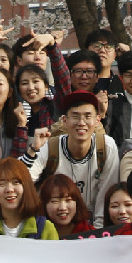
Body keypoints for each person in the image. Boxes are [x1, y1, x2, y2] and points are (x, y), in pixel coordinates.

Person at [31, 92, 121, 227]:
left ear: (97, 120)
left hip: (91, 223)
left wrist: (97, 232)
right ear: (64, 121)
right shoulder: (51, 146)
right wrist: (33, 150)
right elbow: (25, 179)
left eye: (87, 116)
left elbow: (106, 192)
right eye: (75, 116)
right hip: (54, 223)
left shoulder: (106, 146)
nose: (81, 123)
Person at [40, 174, 98, 239]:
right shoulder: (35, 235)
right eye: (55, 201)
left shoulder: (92, 235)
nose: (63, 208)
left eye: (68, 200)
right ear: (44, 205)